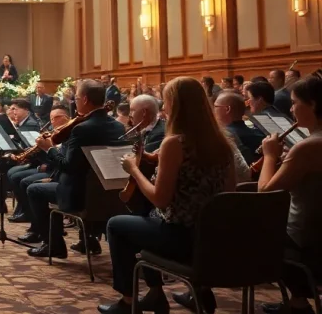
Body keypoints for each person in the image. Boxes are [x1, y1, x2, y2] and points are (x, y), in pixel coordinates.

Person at [96, 77, 235, 314]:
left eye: (166, 101)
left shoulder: (175, 143)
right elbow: (230, 193)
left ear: (177, 105)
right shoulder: (221, 142)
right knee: (144, 216)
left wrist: (134, 170)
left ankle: (129, 302)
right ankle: (184, 293)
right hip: (213, 237)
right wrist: (153, 159)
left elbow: (160, 199)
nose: (163, 107)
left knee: (117, 225)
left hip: (181, 236)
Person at [27, 79, 125, 259]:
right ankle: (89, 240)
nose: (75, 101)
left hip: (80, 196)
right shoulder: (118, 125)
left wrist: (48, 148)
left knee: (34, 189)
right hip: (109, 193)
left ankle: (53, 245)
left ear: (85, 99)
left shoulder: (81, 129)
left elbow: (68, 166)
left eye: (77, 98)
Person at [255, 75, 322, 314]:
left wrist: (270, 156)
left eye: (294, 103)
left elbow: (264, 192)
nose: (291, 108)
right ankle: (297, 302)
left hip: (306, 240)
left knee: (243, 231)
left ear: (312, 104)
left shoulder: (308, 146)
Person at [0, 100, 41, 210]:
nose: (12, 111)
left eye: (15, 109)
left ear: (26, 110)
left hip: (29, 160)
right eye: (11, 109)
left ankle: (11, 206)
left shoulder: (30, 124)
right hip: (18, 157)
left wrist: (12, 154)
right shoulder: (21, 123)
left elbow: (29, 146)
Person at [213, 90, 264, 165]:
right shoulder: (260, 135)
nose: (213, 110)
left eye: (215, 106)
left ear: (227, 109)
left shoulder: (222, 137)